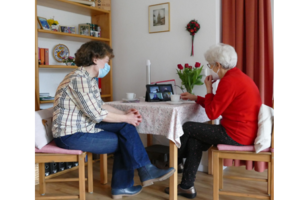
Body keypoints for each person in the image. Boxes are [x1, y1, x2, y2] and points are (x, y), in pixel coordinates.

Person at [52, 41, 175, 199]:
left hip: (85, 127)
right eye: (106, 60)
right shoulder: (78, 79)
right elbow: (97, 114)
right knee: (126, 140)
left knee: (126, 128)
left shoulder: (88, 79)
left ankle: (141, 174)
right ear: (95, 59)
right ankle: (128, 182)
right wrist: (126, 117)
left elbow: (101, 105)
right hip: (70, 136)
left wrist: (125, 114)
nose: (107, 65)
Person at [165, 43, 262, 199]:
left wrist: (209, 90)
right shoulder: (238, 77)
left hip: (237, 135)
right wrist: (197, 98)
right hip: (244, 132)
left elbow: (212, 113)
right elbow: (217, 104)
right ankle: (186, 186)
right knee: (195, 141)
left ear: (217, 65)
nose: (209, 68)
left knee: (188, 127)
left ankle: (172, 162)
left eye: (210, 65)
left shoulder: (229, 81)